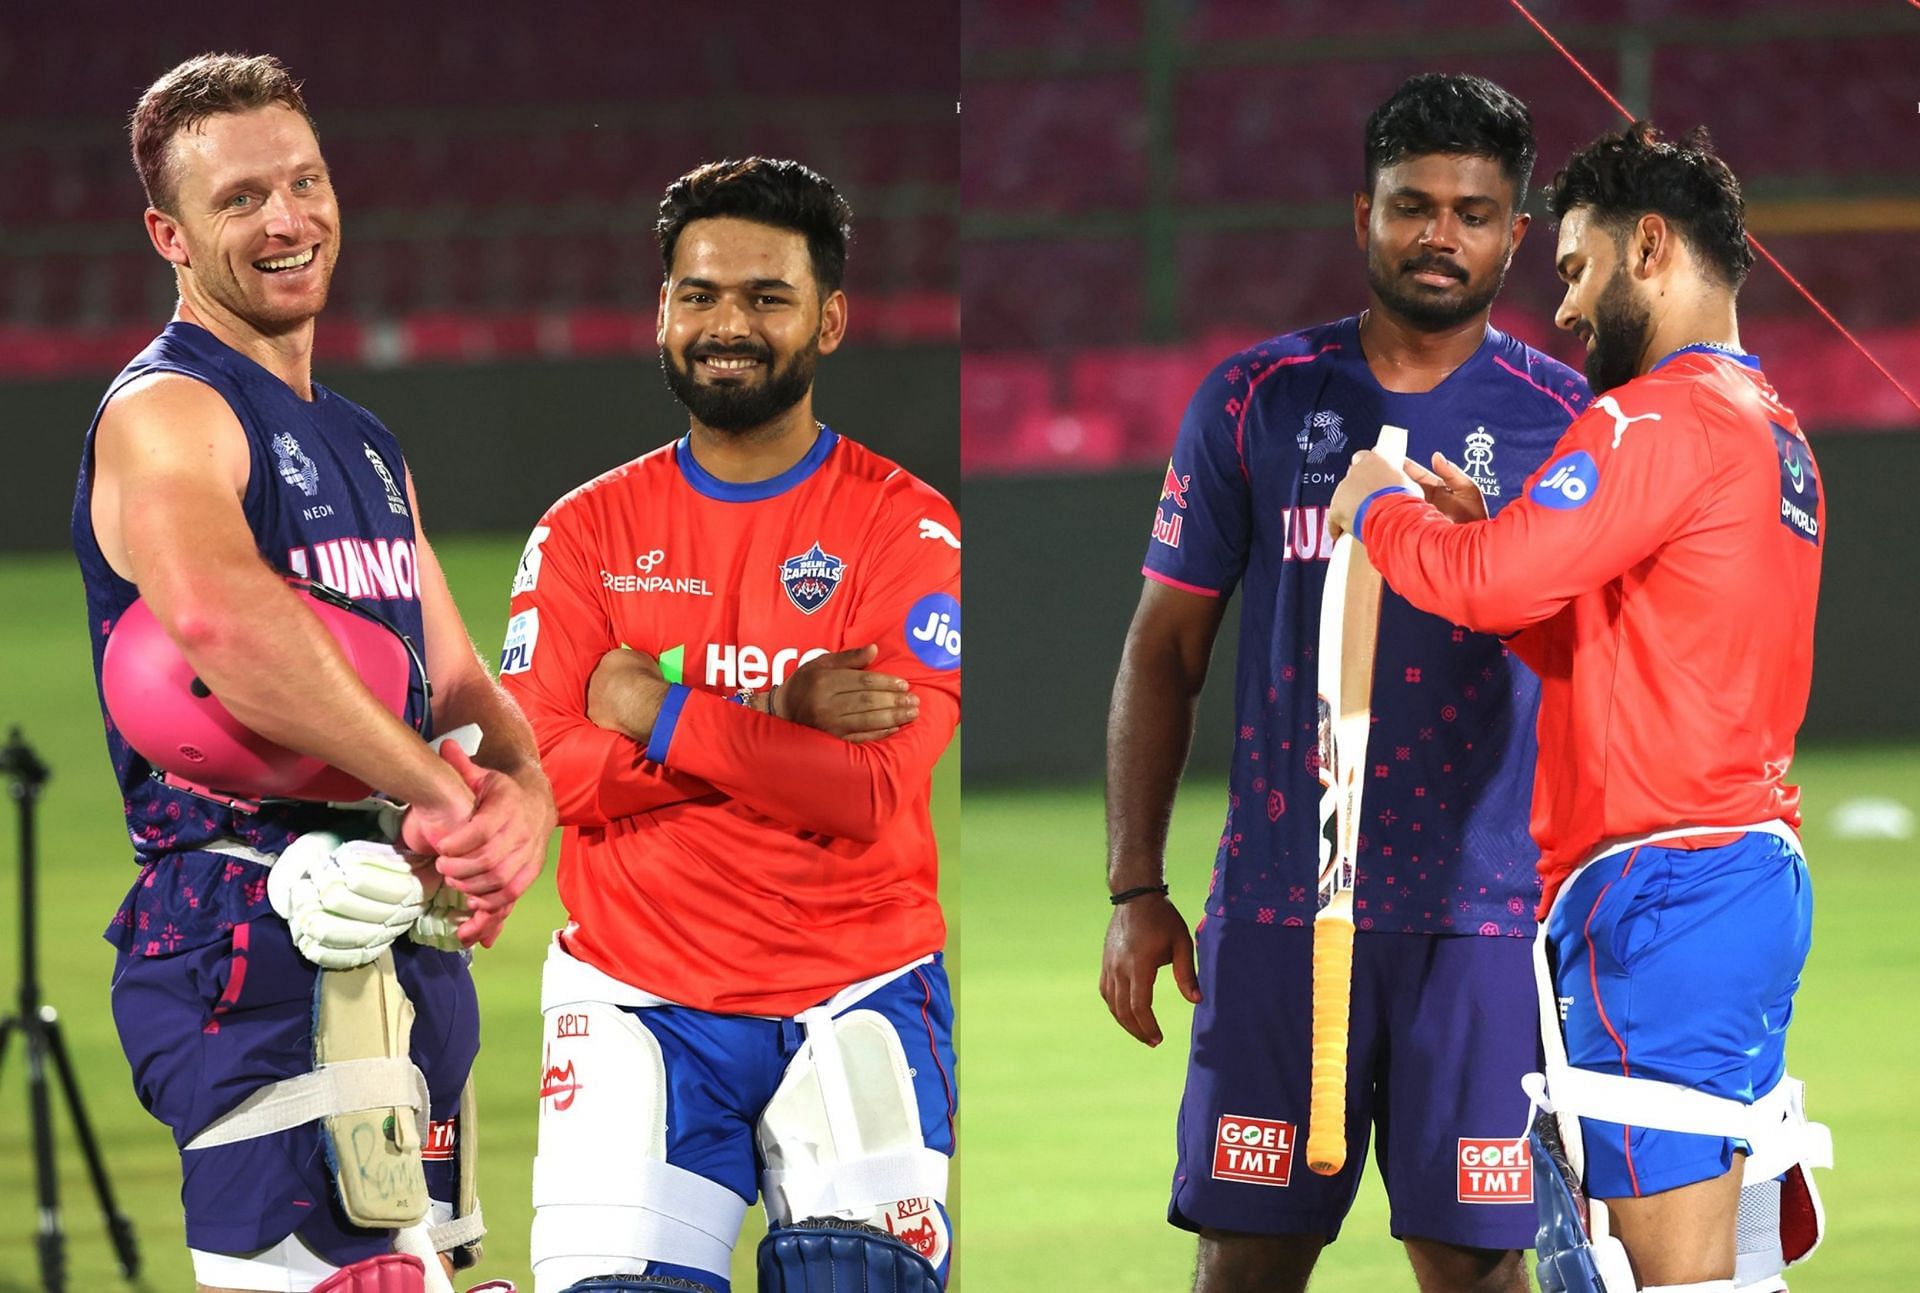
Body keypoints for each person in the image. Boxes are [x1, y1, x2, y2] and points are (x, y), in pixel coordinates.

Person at [1099, 74, 1592, 1293]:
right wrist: (1135, 885)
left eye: (1474, 213)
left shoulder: (1569, 421)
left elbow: (1600, 672)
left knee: (1477, 1270)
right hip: (1275, 906)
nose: (1441, 234)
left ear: (1515, 235)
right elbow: (1163, 649)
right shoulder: (1256, 400)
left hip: (1483, 920)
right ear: (1358, 216)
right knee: (1247, 1264)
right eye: (1412, 204)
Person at [73, 53, 554, 1293]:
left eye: (304, 182)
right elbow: (227, 630)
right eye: (240, 199)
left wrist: (523, 802)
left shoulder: (366, 443)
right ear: (168, 235)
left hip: (398, 944)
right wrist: (445, 799)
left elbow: (460, 686)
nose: (287, 219)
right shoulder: (166, 412)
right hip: (248, 931)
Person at [1329, 122, 1826, 1293]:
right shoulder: (1772, 430)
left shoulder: (1658, 416)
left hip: (1662, 892)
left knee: (1658, 1277)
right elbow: (1588, 625)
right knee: (1729, 1275)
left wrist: (1379, 512)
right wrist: (1473, 539)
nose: (1561, 310)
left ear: (1650, 247)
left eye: (1576, 268)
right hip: (1740, 879)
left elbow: (1497, 579)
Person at [498, 158, 960, 1293]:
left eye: (766, 297)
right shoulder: (583, 533)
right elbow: (550, 773)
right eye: (698, 294)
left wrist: (653, 709)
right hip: (634, 1000)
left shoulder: (907, 529)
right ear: (661, 310)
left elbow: (864, 791)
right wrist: (777, 718)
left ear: (830, 320)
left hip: (858, 991)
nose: (727, 326)